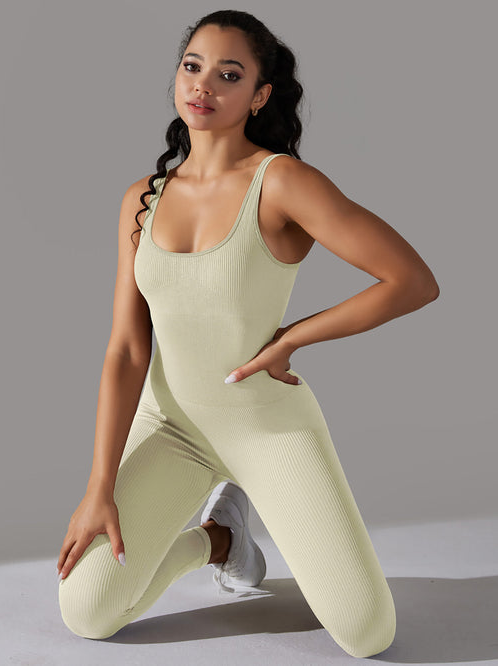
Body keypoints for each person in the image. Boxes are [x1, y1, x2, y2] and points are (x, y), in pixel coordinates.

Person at [56, 9, 439, 658]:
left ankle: (231, 522)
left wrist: (294, 337)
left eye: (228, 75)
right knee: (86, 612)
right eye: (192, 66)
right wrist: (99, 487)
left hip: (266, 427)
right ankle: (220, 541)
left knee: (367, 634)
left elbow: (411, 280)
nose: (203, 85)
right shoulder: (141, 199)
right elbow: (126, 349)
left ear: (259, 96)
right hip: (172, 426)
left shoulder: (282, 182)